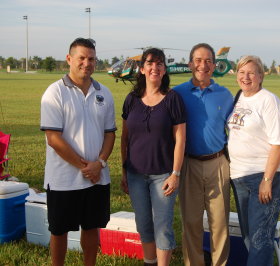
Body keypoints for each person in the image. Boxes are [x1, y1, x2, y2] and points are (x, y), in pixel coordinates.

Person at [40, 38, 116, 266]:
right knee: (59, 231)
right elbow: (53, 138)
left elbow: (110, 134)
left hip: (96, 179)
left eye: (91, 58)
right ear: (69, 59)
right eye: (81, 58)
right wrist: (85, 167)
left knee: (92, 228)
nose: (86, 63)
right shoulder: (54, 92)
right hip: (64, 179)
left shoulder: (104, 93)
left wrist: (99, 163)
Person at [120, 48, 186, 266]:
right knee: (144, 224)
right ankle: (150, 262)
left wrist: (175, 173)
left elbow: (180, 140)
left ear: (164, 70)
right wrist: (124, 171)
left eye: (159, 64)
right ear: (142, 69)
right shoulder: (131, 99)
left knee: (163, 226)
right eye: (150, 63)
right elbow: (125, 139)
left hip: (163, 175)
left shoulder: (172, 99)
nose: (154, 68)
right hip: (135, 174)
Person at [173, 43, 233, 266]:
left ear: (214, 65)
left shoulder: (225, 95)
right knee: (191, 221)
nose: (203, 65)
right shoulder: (178, 94)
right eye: (198, 60)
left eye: (208, 61)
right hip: (188, 164)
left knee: (220, 223)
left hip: (218, 163)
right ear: (190, 64)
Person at [227, 55, 280, 265]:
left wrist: (267, 179)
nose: (246, 77)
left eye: (251, 72)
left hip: (264, 176)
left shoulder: (269, 100)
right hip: (239, 176)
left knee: (260, 237)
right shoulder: (239, 98)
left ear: (261, 76)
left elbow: (278, 143)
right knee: (250, 237)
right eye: (242, 72)